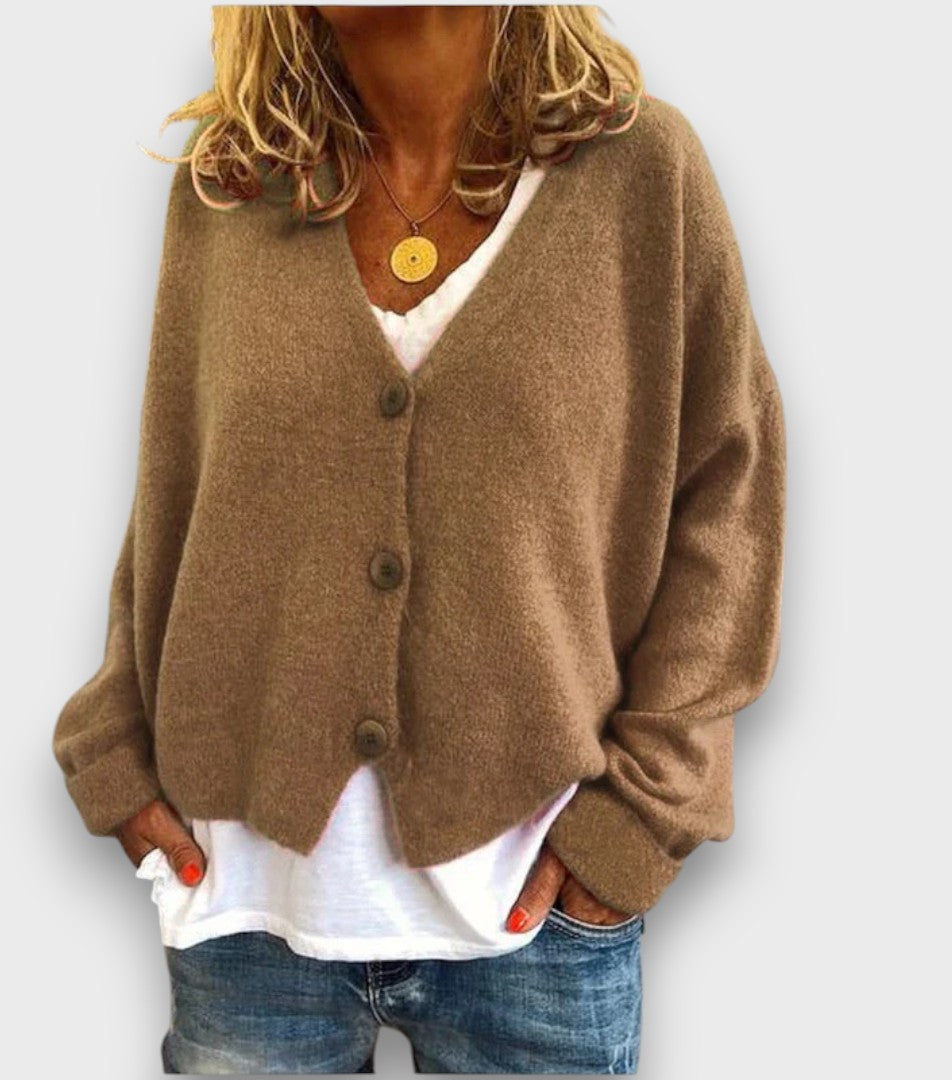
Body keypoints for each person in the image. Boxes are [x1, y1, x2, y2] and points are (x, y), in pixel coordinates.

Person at [52, 5, 786, 1074]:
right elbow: (178, 491)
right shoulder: (233, 185)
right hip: (247, 912)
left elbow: (730, 492)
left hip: (534, 922)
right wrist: (114, 746)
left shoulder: (638, 174)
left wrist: (642, 814)